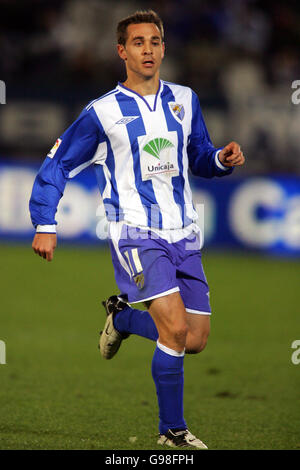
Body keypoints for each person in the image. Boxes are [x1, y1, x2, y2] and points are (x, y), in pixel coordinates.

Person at [29, 10, 245, 449]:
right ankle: (172, 431)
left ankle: (123, 318)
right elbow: (57, 164)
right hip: (135, 232)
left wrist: (220, 160)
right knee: (175, 331)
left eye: (155, 41)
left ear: (164, 48)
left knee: (195, 338)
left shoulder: (185, 99)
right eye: (138, 42)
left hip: (184, 233)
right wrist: (45, 222)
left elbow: (198, 154)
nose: (147, 49)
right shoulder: (102, 112)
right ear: (121, 51)